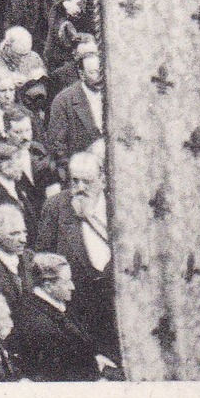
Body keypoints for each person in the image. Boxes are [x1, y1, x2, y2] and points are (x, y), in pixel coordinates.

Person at [35, 150, 117, 360]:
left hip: (115, 299)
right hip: (78, 304)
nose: (80, 188)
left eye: (87, 182)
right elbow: (43, 256)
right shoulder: (56, 208)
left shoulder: (117, 204)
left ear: (102, 179)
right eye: (75, 181)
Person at [9, 252, 109, 382]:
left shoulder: (55, 306)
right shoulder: (38, 322)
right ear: (48, 285)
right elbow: (62, 372)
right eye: (66, 282)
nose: (72, 287)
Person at [46, 49, 104, 167]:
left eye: (101, 72)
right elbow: (58, 147)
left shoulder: (115, 96)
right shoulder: (64, 100)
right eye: (93, 72)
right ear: (81, 74)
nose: (99, 78)